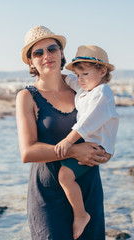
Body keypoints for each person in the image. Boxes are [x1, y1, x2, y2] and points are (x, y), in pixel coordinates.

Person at [16, 25, 111, 240]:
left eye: (52, 49)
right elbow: (27, 152)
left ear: (61, 53)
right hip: (48, 194)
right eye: (38, 52)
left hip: (88, 187)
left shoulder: (84, 88)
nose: (46, 55)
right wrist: (74, 151)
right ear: (30, 61)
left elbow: (104, 122)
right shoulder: (27, 97)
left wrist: (103, 151)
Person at [54, 45, 119, 239]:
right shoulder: (85, 89)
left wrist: (68, 141)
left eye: (85, 74)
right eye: (78, 74)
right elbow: (69, 79)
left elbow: (87, 122)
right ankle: (81, 211)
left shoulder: (102, 92)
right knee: (69, 176)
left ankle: (81, 215)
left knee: (65, 176)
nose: (80, 79)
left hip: (100, 148)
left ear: (102, 71)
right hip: (90, 143)